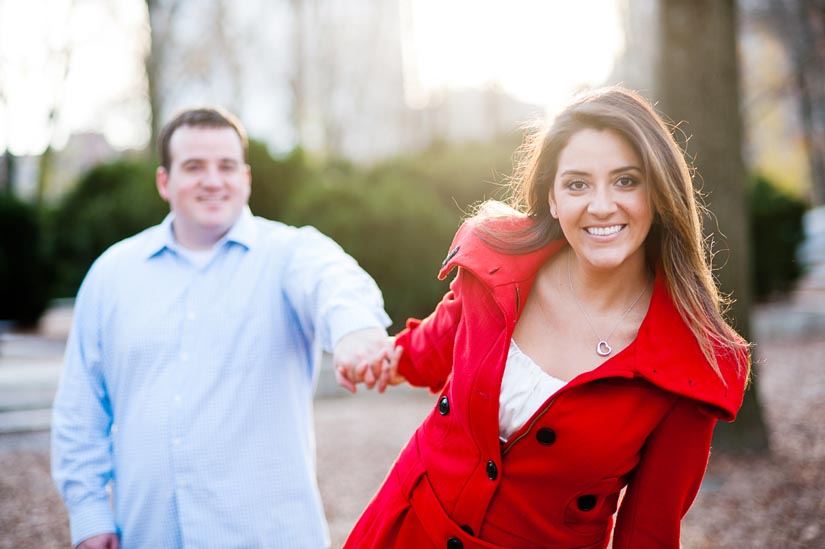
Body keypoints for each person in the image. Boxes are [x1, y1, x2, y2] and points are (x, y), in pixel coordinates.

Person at [340, 86, 750, 548]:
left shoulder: (692, 364)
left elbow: (649, 532)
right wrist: (378, 357)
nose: (600, 206)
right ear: (552, 198)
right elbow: (433, 347)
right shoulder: (496, 264)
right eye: (577, 183)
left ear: (658, 193)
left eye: (626, 180)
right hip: (406, 528)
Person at [51, 106, 394, 549]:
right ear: (164, 181)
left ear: (246, 178)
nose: (213, 180)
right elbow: (81, 407)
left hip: (270, 536)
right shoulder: (111, 274)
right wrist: (89, 514)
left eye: (226, 166)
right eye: (194, 167)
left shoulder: (289, 253)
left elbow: (335, 281)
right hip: (148, 534)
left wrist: (354, 332)